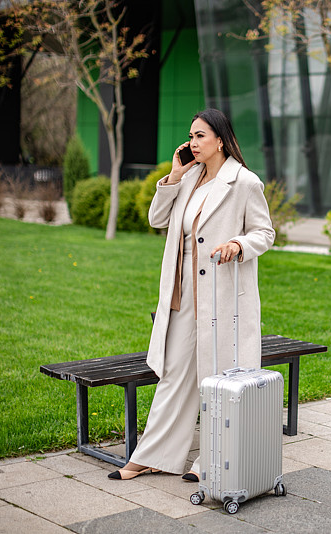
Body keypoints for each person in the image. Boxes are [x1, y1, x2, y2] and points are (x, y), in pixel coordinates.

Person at [109, 109, 275, 480]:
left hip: (222, 294)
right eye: (191, 136)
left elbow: (265, 233)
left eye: (201, 136)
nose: (192, 143)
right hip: (182, 295)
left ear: (220, 140)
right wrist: (174, 176)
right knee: (174, 373)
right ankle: (154, 455)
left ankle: (213, 463)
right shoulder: (189, 178)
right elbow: (157, 219)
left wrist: (238, 243)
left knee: (218, 376)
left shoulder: (244, 182)